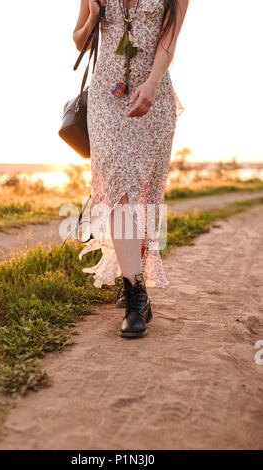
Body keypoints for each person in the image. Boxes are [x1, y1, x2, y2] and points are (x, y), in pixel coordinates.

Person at [73, 0, 189, 337]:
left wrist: (152, 83)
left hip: (153, 98)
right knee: (119, 187)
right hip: (107, 101)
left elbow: (168, 44)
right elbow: (80, 41)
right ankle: (135, 293)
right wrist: (94, 14)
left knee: (144, 197)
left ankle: (134, 281)